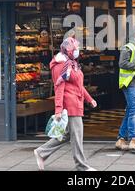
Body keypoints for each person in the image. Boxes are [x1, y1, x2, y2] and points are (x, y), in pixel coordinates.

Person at [34, 37, 98, 171]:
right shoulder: (61, 65)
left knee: (68, 134)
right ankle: (82, 166)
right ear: (68, 50)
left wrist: (89, 99)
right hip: (70, 104)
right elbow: (59, 87)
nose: (77, 51)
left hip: (77, 102)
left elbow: (79, 85)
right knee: (77, 135)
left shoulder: (72, 63)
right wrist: (58, 110)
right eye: (75, 49)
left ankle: (41, 152)